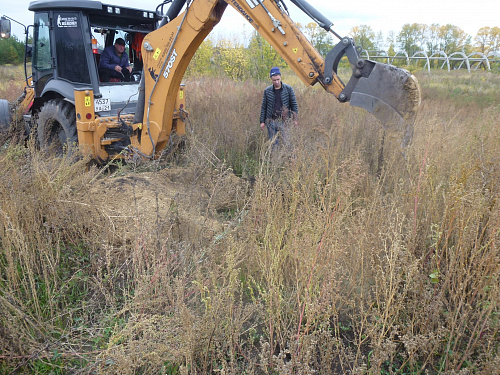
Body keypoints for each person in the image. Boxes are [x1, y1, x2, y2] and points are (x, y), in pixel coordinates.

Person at [260, 67, 298, 149]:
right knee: (274, 145)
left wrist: (295, 119)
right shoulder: (267, 91)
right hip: (271, 122)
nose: (276, 82)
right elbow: (264, 107)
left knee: (288, 144)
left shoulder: (288, 89)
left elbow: (294, 104)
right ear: (271, 79)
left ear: (280, 77)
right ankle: (275, 160)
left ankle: (290, 160)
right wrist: (262, 121)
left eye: (278, 79)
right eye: (274, 80)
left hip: (285, 122)